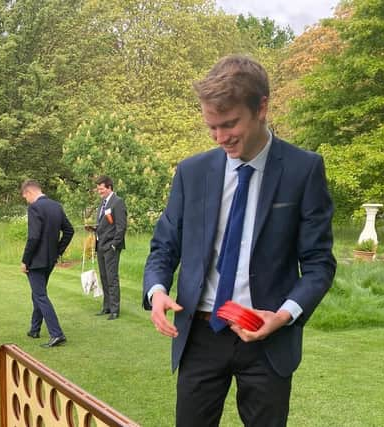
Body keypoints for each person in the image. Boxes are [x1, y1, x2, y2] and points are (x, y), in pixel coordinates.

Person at [142, 55, 336, 427]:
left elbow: (318, 264)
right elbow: (164, 244)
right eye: (211, 128)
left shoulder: (303, 169)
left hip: (268, 338)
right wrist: (156, 290)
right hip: (199, 332)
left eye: (229, 124)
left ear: (261, 107)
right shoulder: (191, 172)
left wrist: (283, 315)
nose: (220, 138)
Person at [20, 179, 74, 348]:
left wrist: (25, 260)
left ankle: (57, 333)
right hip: (50, 260)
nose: (26, 200)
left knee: (40, 295)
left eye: (25, 197)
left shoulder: (34, 207)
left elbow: (33, 237)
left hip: (36, 261)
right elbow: (69, 230)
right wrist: (58, 250)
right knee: (38, 292)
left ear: (29, 192)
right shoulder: (56, 206)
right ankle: (34, 329)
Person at [94, 175, 127, 320]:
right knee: (103, 277)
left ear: (109, 188)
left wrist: (114, 244)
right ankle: (106, 307)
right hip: (100, 245)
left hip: (111, 246)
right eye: (98, 189)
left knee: (112, 277)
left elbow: (121, 226)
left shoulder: (117, 202)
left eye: (101, 189)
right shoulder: (103, 203)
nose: (99, 192)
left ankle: (115, 309)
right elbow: (104, 224)